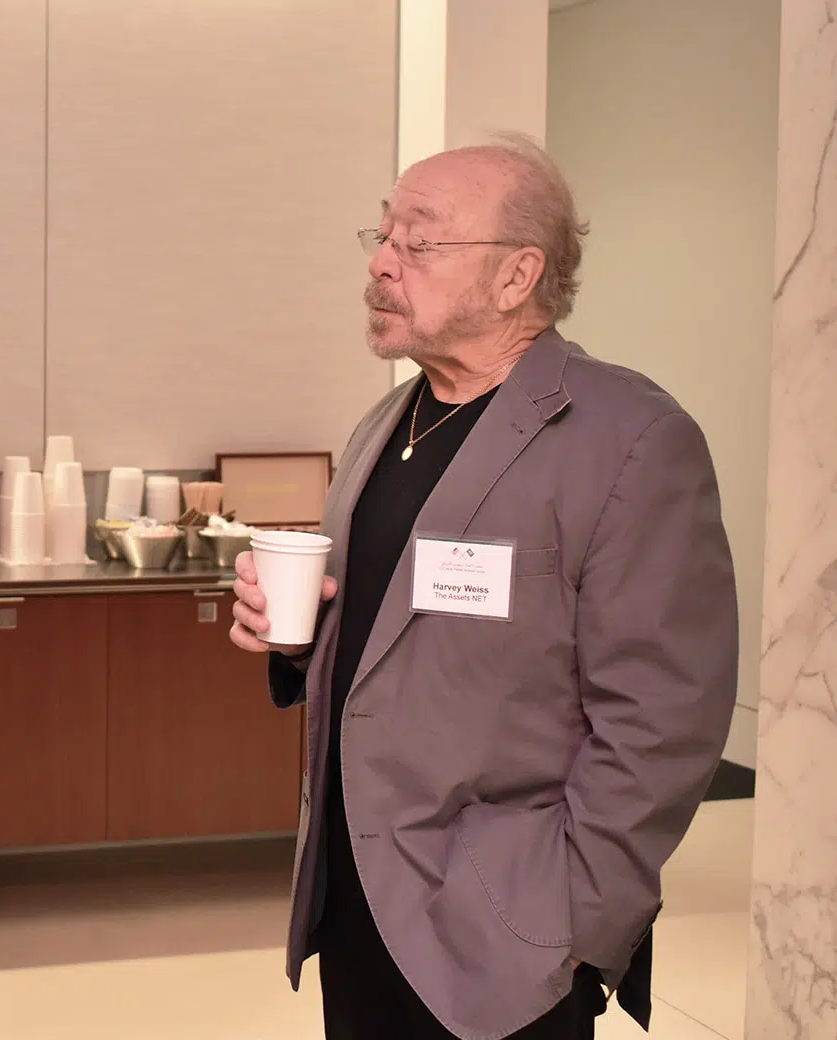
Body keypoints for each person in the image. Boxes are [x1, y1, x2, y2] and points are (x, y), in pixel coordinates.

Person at [230, 135, 738, 1040]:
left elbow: (663, 718)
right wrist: (296, 639)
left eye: (420, 241)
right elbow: (394, 640)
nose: (383, 263)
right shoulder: (388, 422)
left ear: (516, 277)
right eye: (383, 235)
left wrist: (571, 924)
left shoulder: (630, 438)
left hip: (508, 930)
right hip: (357, 900)